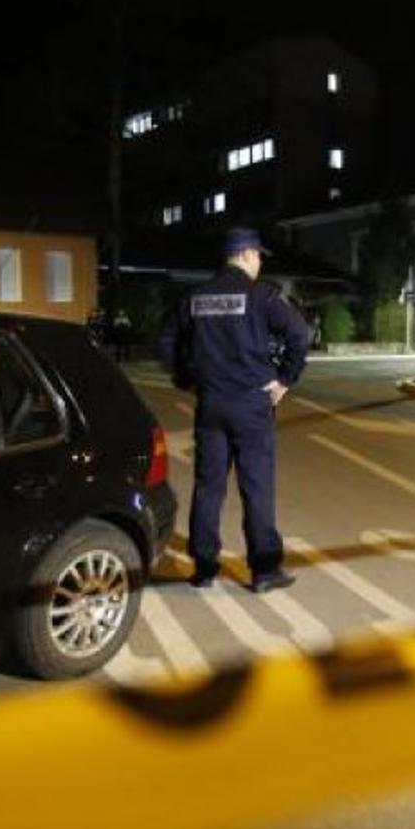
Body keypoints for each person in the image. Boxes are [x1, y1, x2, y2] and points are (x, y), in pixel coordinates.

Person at [158, 226, 311, 593]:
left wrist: (185, 379)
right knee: (256, 487)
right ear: (245, 254)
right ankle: (264, 570)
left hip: (211, 404)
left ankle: (204, 568)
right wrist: (284, 381)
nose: (260, 263)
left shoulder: (195, 297)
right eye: (258, 256)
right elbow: (300, 334)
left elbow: (165, 340)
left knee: (208, 487)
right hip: (251, 405)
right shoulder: (262, 296)